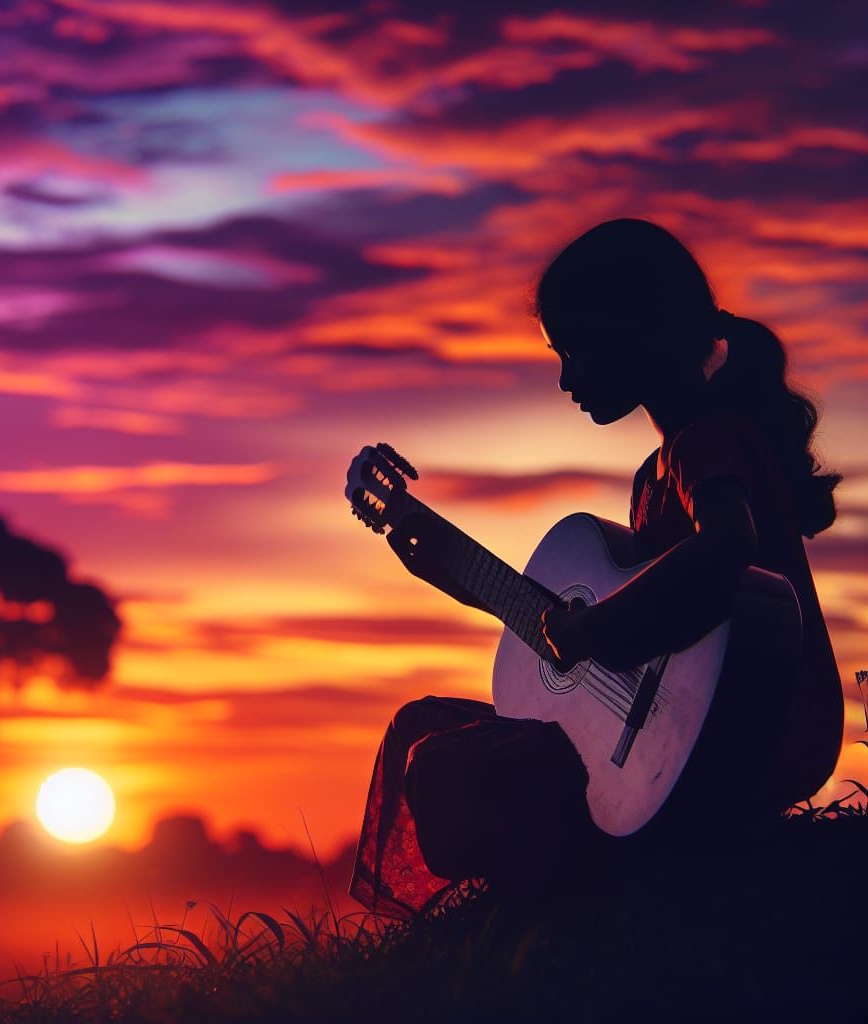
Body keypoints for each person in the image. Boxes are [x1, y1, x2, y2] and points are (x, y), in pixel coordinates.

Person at [348, 218, 845, 920]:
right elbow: (597, 646)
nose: (565, 378)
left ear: (635, 331)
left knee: (443, 766)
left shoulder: (707, 444)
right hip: (683, 748)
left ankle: (545, 907)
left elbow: (726, 549)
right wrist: (433, 553)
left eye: (575, 352)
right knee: (421, 724)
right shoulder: (658, 475)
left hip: (740, 749)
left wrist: (599, 630)